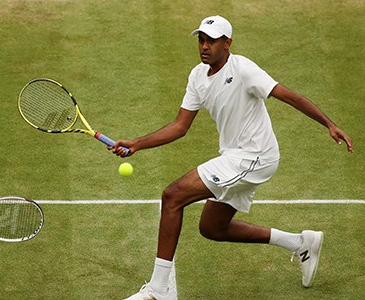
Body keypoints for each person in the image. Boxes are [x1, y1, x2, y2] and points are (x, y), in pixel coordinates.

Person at [116, 16, 354, 300]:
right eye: (201, 40)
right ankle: (300, 243)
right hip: (234, 155)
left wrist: (328, 123)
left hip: (255, 156)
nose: (205, 47)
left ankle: (159, 289)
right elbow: (180, 126)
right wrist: (137, 144)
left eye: (212, 41)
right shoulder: (197, 76)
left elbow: (289, 96)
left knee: (172, 196)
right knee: (212, 227)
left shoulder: (243, 69)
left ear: (227, 44)